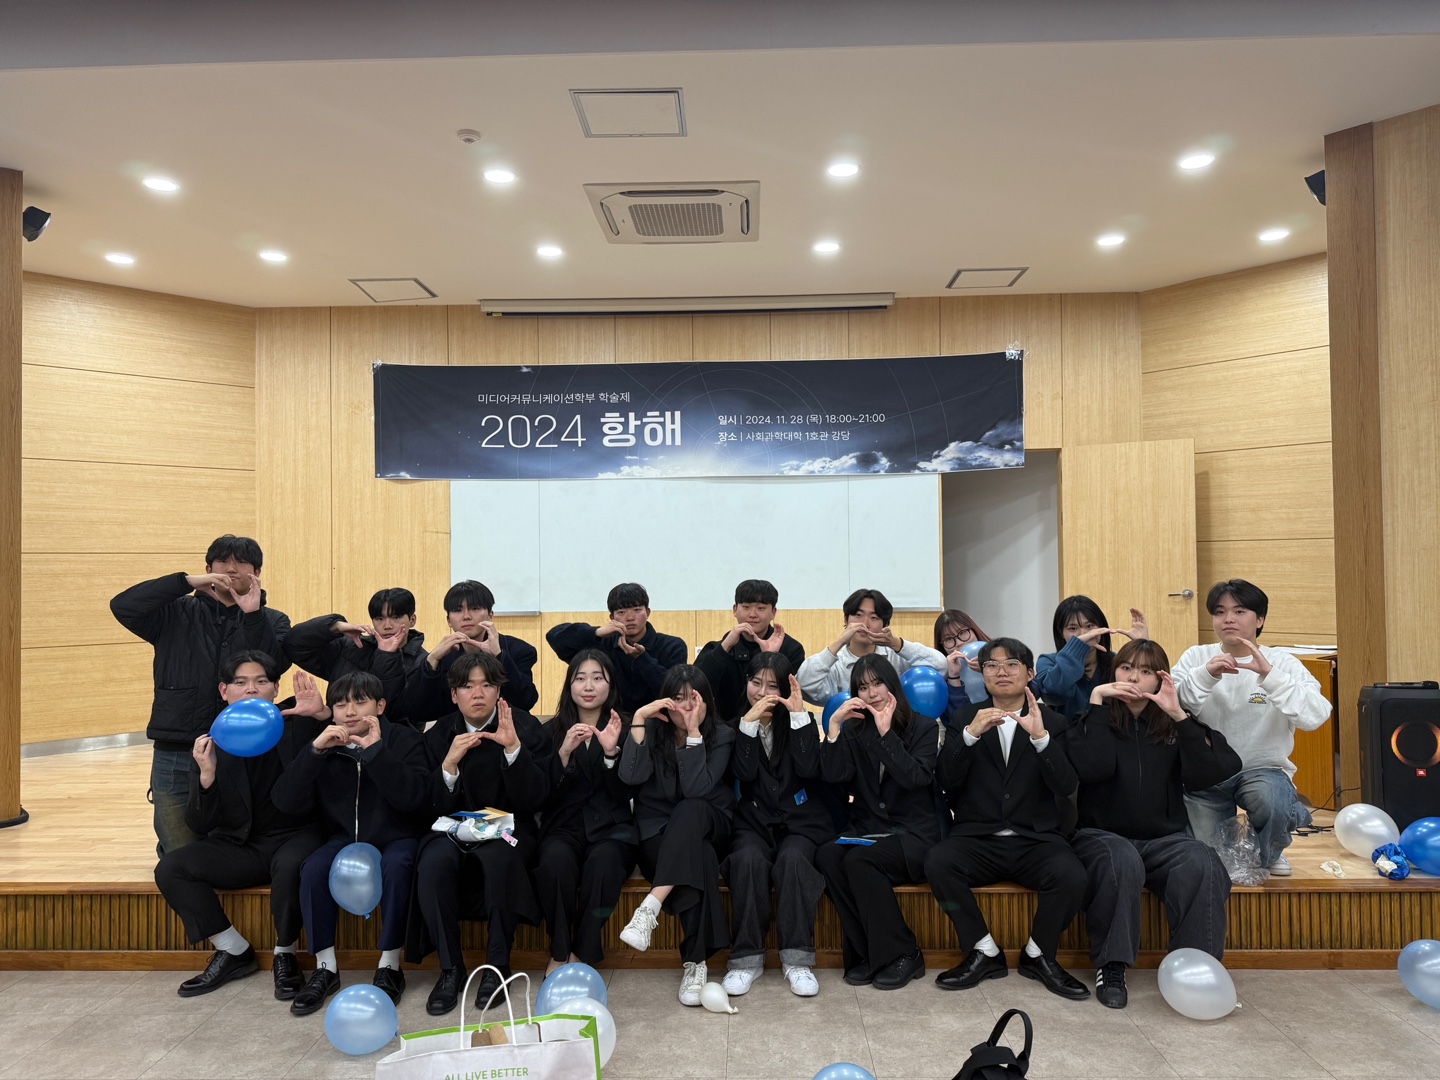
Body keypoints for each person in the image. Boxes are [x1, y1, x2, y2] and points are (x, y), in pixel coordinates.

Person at [1067, 639, 1241, 1009]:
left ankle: (1198, 967)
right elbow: (1091, 769)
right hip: (1100, 836)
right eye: (1126, 667)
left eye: (1146, 671)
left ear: (1160, 678)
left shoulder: (1175, 724)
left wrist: (1178, 715)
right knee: (1121, 860)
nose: (1134, 677)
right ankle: (1111, 966)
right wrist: (1097, 700)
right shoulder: (1092, 719)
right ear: (1113, 672)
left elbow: (1216, 771)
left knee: (1203, 862)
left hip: (1164, 839)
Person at [153, 651, 325, 1001]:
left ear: (275, 689)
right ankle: (233, 949)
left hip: (293, 836)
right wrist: (207, 775)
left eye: (261, 681)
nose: (251, 689)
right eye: (241, 682)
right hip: (239, 845)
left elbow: (339, 739)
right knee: (171, 868)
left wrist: (321, 716)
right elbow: (199, 823)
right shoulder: (211, 742)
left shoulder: (298, 723)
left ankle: (285, 954)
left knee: (291, 866)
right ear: (224, 690)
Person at [925, 637, 1090, 1000]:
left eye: (1012, 664)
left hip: (1036, 839)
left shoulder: (1055, 721)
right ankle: (983, 949)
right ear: (982, 674)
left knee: (1072, 875)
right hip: (977, 838)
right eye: (991, 665)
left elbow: (1066, 785)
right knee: (938, 862)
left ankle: (1039, 954)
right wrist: (969, 737)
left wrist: (1042, 739)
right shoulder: (964, 718)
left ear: (1030, 673)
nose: (1001, 671)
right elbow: (946, 780)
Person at [112, 534, 291, 855]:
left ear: (257, 573)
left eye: (241, 563)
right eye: (222, 561)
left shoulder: (272, 620)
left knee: (233, 842)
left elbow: (274, 664)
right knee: (180, 851)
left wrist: (252, 616)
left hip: (243, 750)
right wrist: (184, 582)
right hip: (177, 746)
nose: (231, 569)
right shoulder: (174, 612)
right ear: (208, 569)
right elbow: (123, 606)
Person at [271, 672, 430, 1014]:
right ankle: (326, 968)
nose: (350, 711)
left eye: (361, 702)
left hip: (398, 837)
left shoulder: (405, 740)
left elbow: (414, 799)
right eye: (341, 704)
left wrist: (376, 752)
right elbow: (284, 801)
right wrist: (314, 751)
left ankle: (390, 965)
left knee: (399, 867)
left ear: (380, 706)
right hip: (344, 838)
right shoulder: (326, 743)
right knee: (313, 868)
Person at [407, 651, 552, 1015]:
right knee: (433, 862)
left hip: (509, 829)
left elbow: (537, 798)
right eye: (467, 686)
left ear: (499, 691)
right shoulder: (439, 734)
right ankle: (450, 969)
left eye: (487, 685)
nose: (477, 693)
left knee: (501, 857)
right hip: (453, 829)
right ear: (453, 694)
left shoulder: (524, 726)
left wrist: (513, 749)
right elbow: (427, 806)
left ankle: (497, 967)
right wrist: (449, 765)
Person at [1172, 579, 1332, 877]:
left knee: (1270, 803)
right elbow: (1173, 706)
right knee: (1213, 863)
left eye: (1239, 611)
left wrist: (1270, 676)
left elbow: (1316, 716)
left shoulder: (1282, 662)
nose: (1228, 619)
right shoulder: (1196, 656)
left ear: (1260, 620)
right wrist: (1206, 675)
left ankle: (1273, 845)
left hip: (1263, 770)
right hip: (1205, 773)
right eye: (1220, 612)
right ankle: (1266, 828)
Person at [814, 655, 939, 991]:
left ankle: (905, 953)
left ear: (892, 684)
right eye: (862, 687)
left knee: (860, 860)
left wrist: (886, 735)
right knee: (827, 855)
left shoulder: (924, 727)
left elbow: (915, 778)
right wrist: (834, 729)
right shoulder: (855, 730)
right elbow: (835, 777)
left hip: (912, 834)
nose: (871, 693)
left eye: (877, 683)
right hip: (868, 829)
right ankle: (868, 951)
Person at [615, 665, 736, 1006]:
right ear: (665, 703)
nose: (686, 707)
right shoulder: (653, 730)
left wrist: (694, 733)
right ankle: (696, 963)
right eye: (678, 699)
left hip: (710, 820)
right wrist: (639, 719)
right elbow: (630, 777)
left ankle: (650, 907)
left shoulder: (722, 735)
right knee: (700, 859)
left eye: (693, 699)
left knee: (691, 809)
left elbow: (697, 790)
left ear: (706, 701)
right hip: (658, 831)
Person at [722, 653, 833, 998]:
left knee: (794, 861)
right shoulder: (734, 725)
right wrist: (748, 726)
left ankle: (797, 961)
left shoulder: (801, 720)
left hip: (800, 823)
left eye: (773, 685)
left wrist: (799, 715)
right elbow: (743, 774)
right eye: (756, 683)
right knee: (747, 860)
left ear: (786, 688)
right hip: (753, 823)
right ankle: (746, 960)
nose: (763, 692)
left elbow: (809, 769)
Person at [533, 650, 637, 975]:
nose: (588, 686)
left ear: (610, 684)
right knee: (554, 862)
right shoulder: (550, 731)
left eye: (597, 678)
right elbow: (541, 794)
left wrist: (610, 754)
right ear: (570, 685)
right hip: (563, 827)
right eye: (580, 678)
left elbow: (627, 792)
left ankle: (582, 951)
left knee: (605, 864)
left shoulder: (627, 728)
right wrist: (563, 754)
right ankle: (559, 950)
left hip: (612, 828)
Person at [404, 580, 540, 725]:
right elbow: (418, 711)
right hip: (458, 732)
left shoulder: (520, 650)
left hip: (508, 729)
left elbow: (525, 701)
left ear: (490, 616)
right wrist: (431, 660)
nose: (466, 616)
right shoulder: (443, 657)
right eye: (458, 610)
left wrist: (499, 656)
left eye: (475, 608)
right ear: (448, 620)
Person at [282, 588, 426, 723]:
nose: (387, 625)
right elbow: (294, 645)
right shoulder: (351, 647)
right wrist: (335, 626)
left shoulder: (423, 664)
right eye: (379, 619)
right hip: (337, 733)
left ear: (412, 620)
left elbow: (398, 712)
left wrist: (387, 656)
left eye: (396, 617)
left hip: (392, 739)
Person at [546, 583, 689, 713]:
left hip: (660, 723)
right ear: (612, 617)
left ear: (648, 612)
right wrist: (596, 632)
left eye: (637, 610)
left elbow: (674, 691)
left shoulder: (672, 646)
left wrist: (642, 659)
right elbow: (555, 637)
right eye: (621, 612)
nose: (630, 617)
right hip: (610, 723)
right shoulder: (602, 644)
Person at [797, 588, 945, 705]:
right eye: (858, 615)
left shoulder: (895, 656)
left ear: (884, 625)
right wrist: (840, 641)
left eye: (874, 618)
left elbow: (941, 666)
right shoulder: (837, 664)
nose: (864, 624)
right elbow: (804, 684)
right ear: (846, 620)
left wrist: (897, 644)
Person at [696, 579, 807, 721]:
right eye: (746, 607)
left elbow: (789, 694)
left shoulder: (791, 649)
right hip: (725, 728)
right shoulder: (717, 649)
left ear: (773, 612)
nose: (752, 614)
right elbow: (697, 688)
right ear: (735, 609)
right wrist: (725, 647)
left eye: (761, 608)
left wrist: (769, 657)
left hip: (776, 727)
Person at [1032, 597, 1147, 722]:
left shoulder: (1117, 662)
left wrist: (1143, 647)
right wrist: (1076, 647)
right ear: (1061, 633)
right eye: (1072, 628)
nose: (1083, 634)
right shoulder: (1048, 661)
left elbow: (1143, 692)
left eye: (1090, 626)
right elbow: (1054, 695)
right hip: (1066, 733)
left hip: (1112, 732)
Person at [934, 608, 990, 720]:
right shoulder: (943, 678)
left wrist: (990, 669)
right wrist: (954, 677)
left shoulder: (1003, 654)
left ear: (973, 630)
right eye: (948, 639)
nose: (959, 643)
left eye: (962, 632)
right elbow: (957, 721)